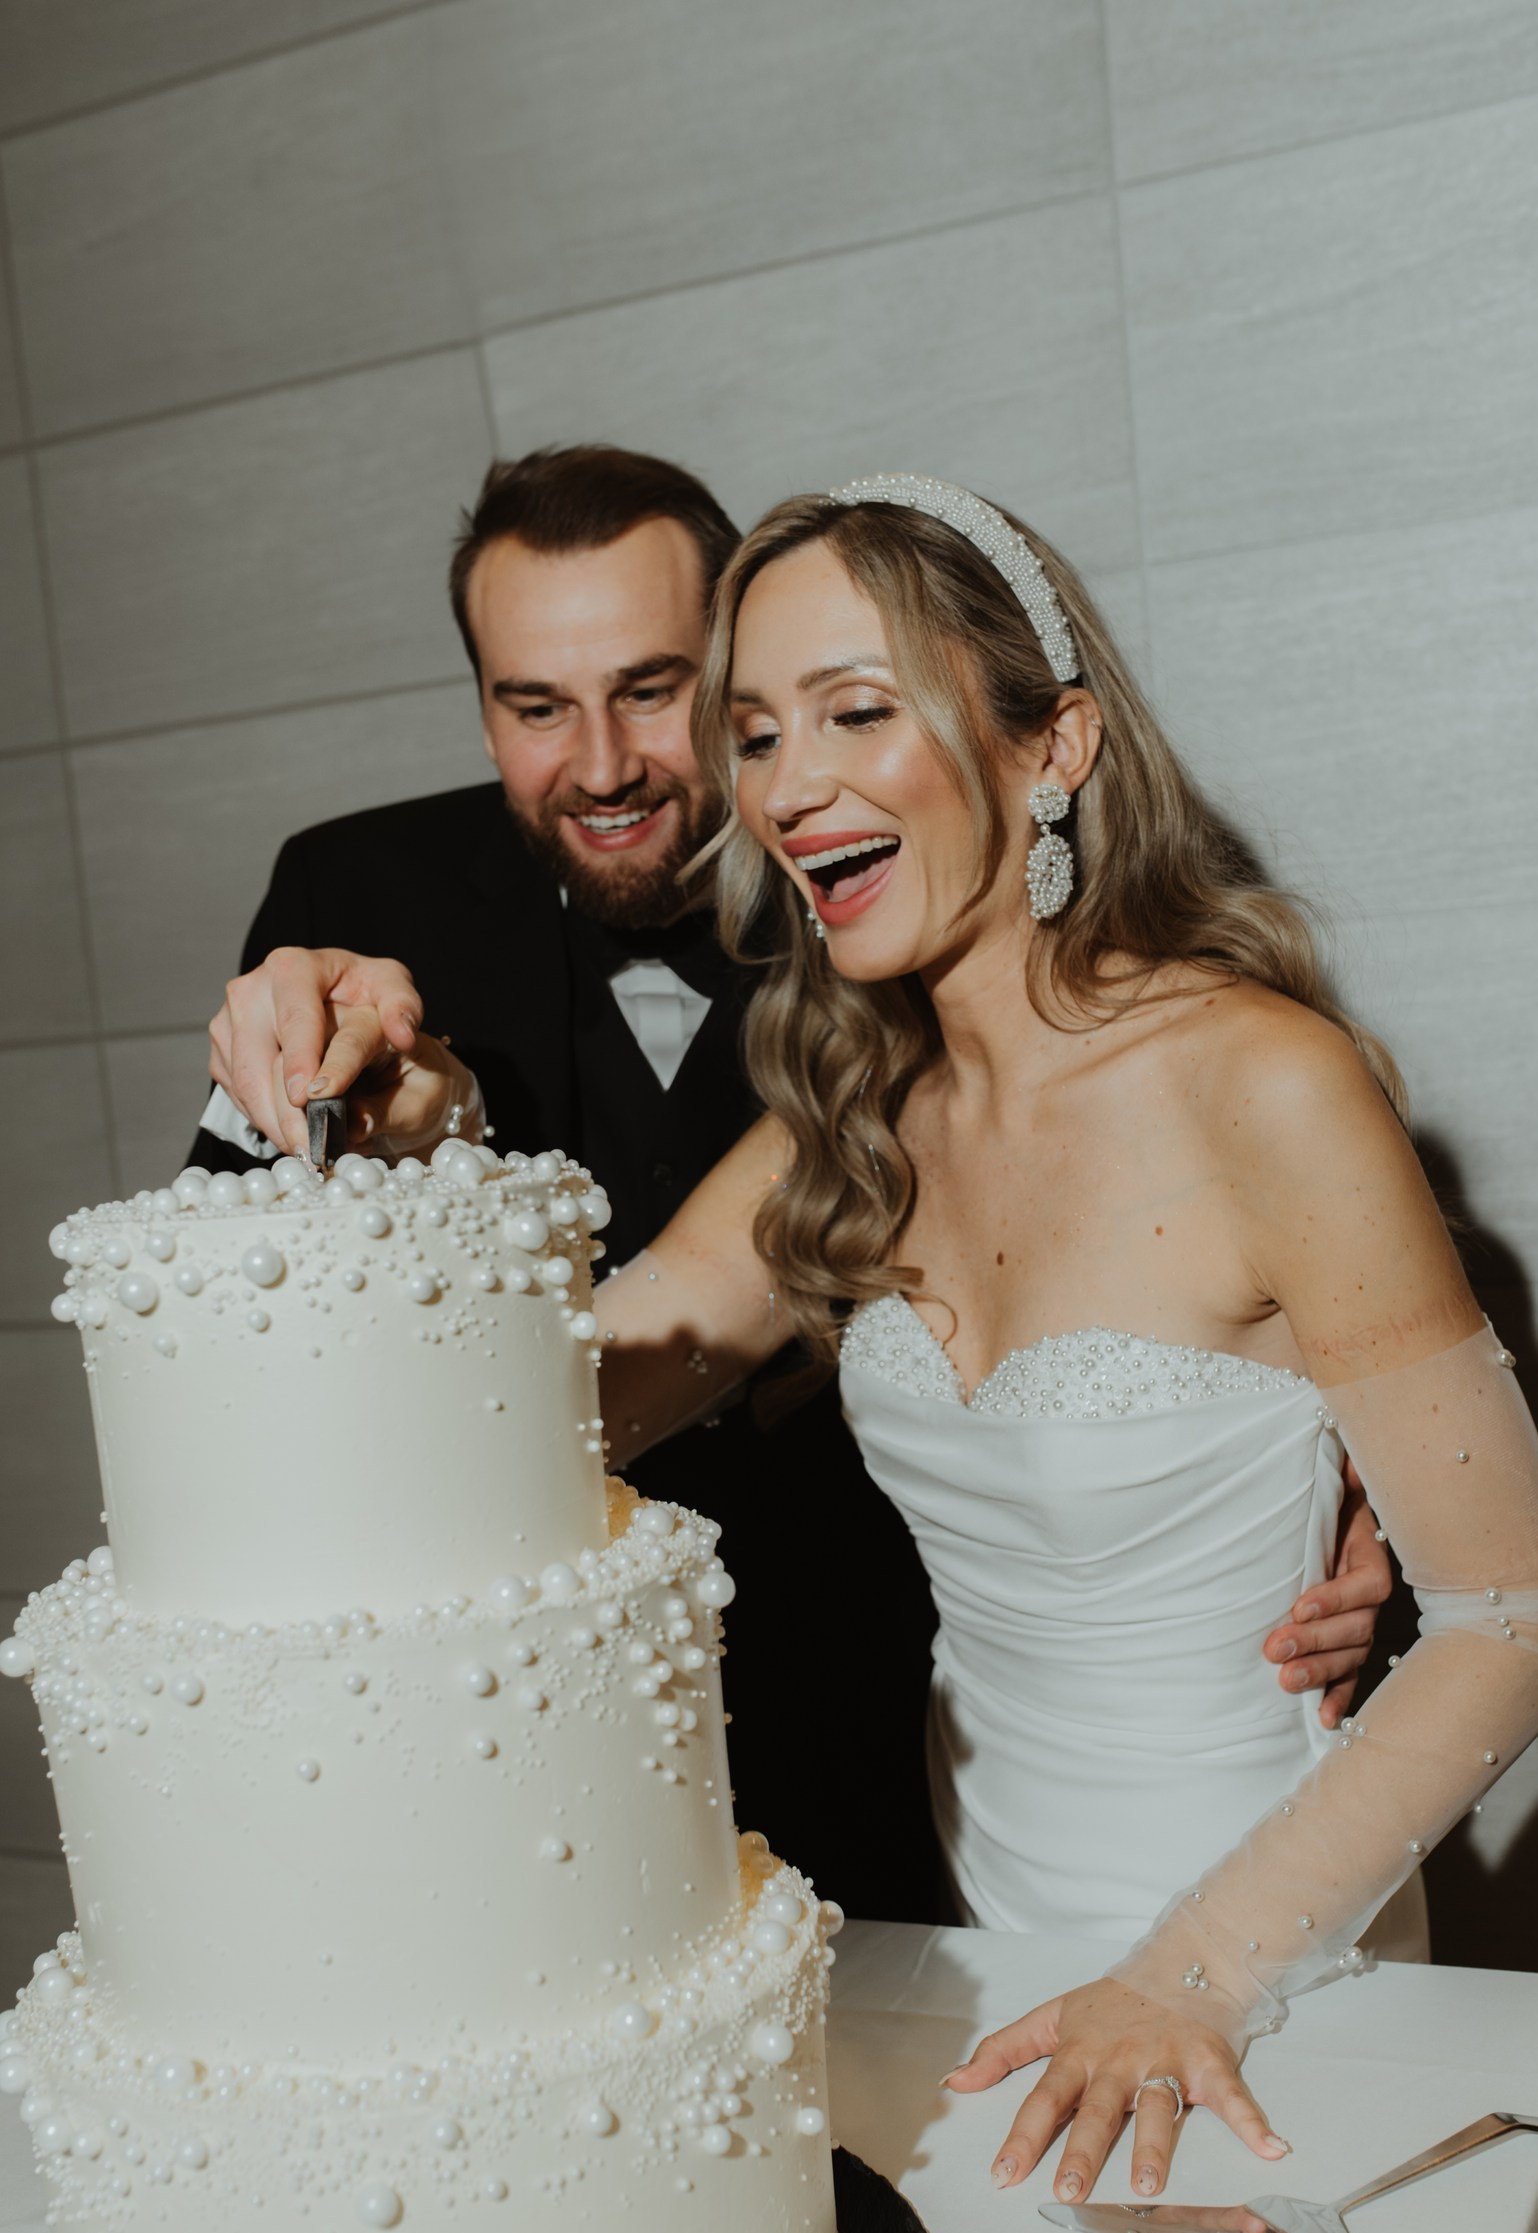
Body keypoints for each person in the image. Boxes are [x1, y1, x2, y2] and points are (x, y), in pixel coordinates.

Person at [565, 474, 1538, 2209]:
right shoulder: (845, 1120)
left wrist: (1189, 1976)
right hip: (976, 1951)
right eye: (753, 732)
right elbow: (559, 1410)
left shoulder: (1265, 1082)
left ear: (1055, 746)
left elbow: (1515, 1613)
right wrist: (390, 1148)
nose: (786, 783)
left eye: (856, 712)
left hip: (1264, 1969)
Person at [197, 445, 1393, 1922]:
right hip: (608, 1808)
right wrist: (426, 1137)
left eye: (662, 692)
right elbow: (497, 1409)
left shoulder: (1200, 1053)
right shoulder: (836, 1103)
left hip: (964, 1776)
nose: (614, 762)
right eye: (761, 733)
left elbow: (1470, 1542)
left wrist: (1354, 1474)